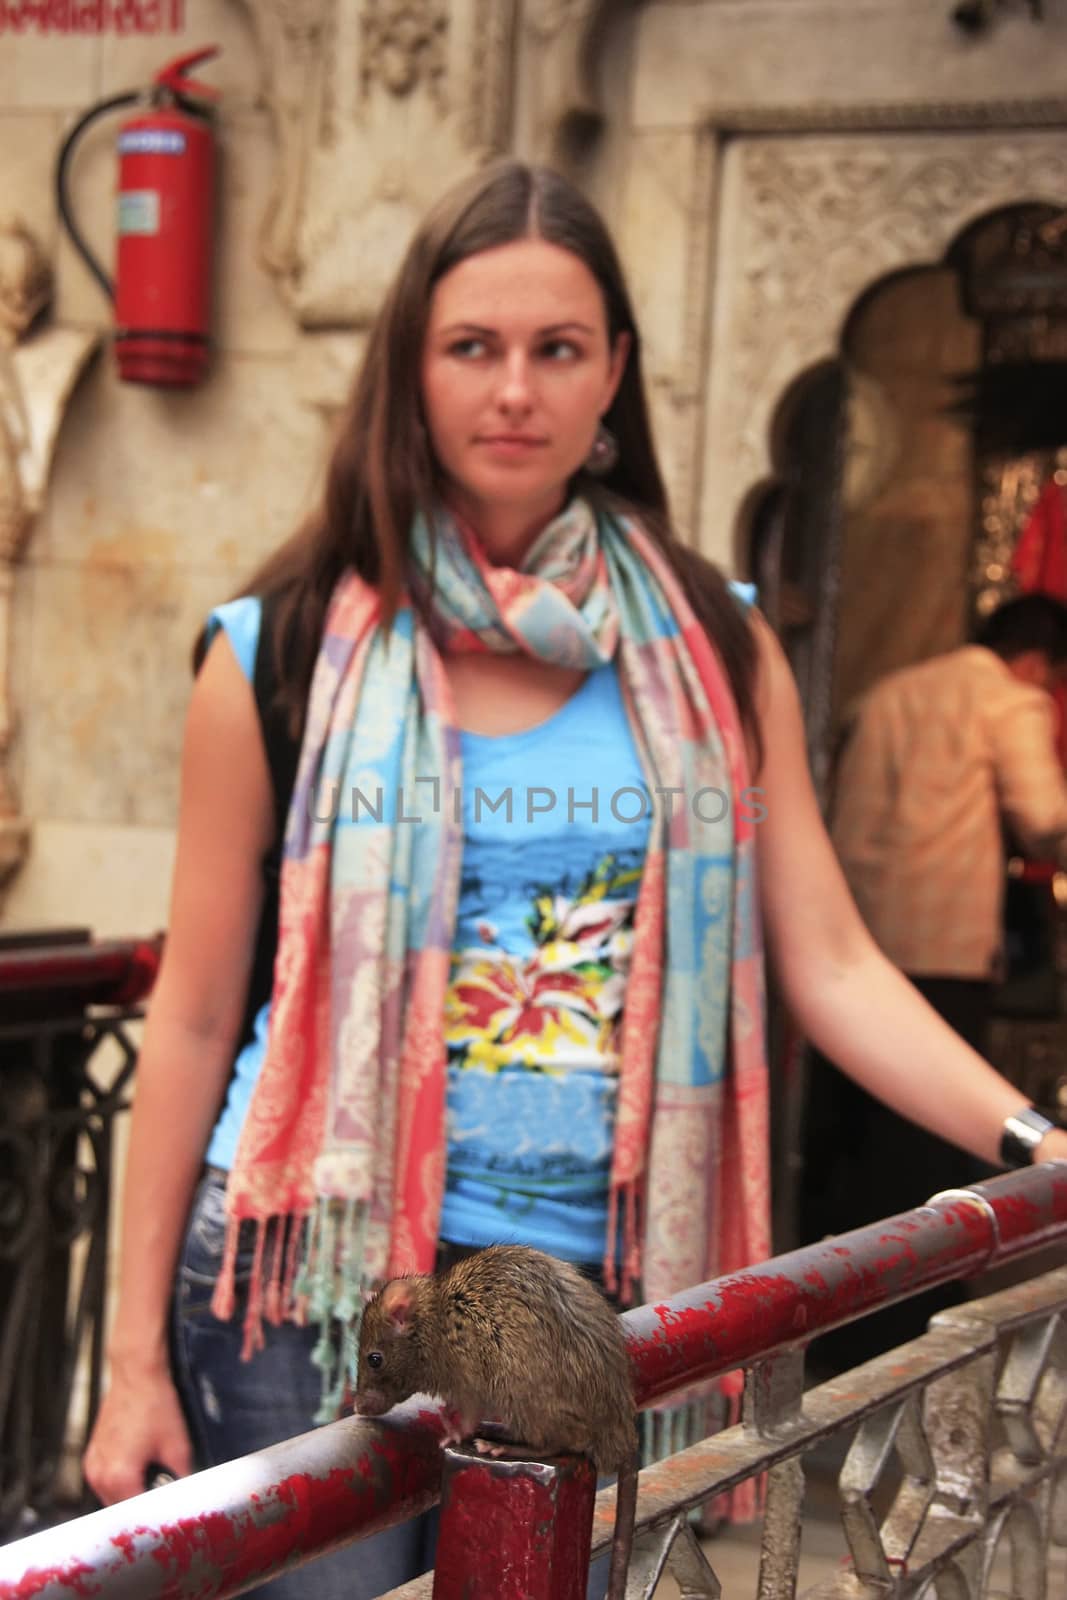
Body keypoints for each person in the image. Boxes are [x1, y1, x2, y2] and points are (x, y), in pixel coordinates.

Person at [83, 161, 1067, 1597]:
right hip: (308, 1294)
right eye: (471, 346)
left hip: (584, 1319)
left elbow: (834, 961)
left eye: (557, 349)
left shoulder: (716, 649)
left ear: (614, 373)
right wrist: (121, 1368)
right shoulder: (278, 648)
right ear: (408, 369)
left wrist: (1030, 1139)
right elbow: (188, 1016)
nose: (514, 391)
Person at [802, 594, 1067, 1364]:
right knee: (918, 1164)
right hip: (941, 950)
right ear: (1036, 662)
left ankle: (828, 1324)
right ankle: (900, 1333)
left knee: (849, 1149)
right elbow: (1043, 815)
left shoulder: (885, 692)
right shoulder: (1006, 697)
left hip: (851, 940)